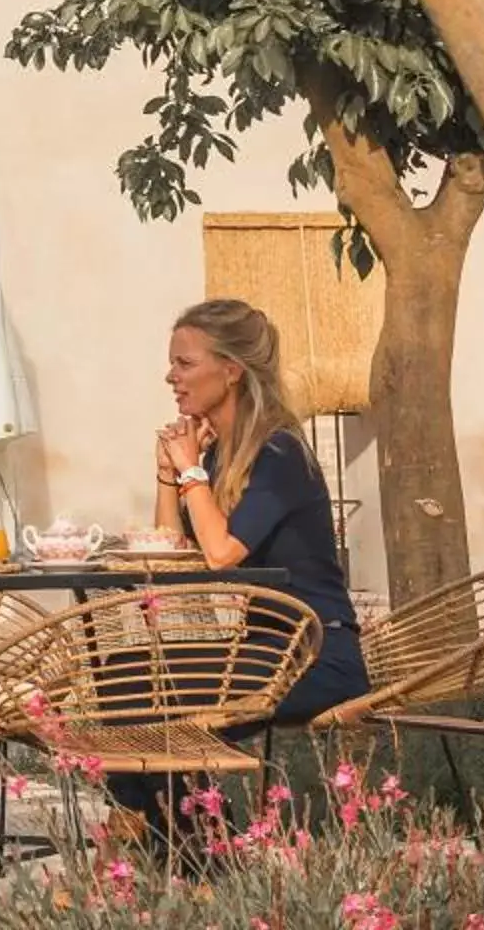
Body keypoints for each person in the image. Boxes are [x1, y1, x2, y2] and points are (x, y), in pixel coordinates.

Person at [106, 297, 370, 840]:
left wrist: (190, 472)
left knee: (147, 694)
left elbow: (222, 552)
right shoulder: (221, 455)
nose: (171, 376)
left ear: (231, 371)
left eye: (185, 363)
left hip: (316, 655)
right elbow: (173, 557)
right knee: (120, 676)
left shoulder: (279, 453)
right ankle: (192, 848)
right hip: (260, 652)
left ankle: (192, 850)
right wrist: (169, 474)